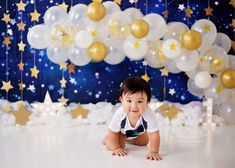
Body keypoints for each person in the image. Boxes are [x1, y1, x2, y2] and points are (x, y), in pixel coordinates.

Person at [102, 76, 161, 160]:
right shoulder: (120, 113)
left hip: (137, 133)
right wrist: (116, 148)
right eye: (129, 101)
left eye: (140, 101)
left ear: (148, 102)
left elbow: (154, 135)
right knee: (117, 144)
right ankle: (106, 140)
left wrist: (153, 152)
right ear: (121, 100)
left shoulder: (149, 114)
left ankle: (128, 139)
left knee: (144, 141)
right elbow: (112, 133)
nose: (134, 106)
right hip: (120, 133)